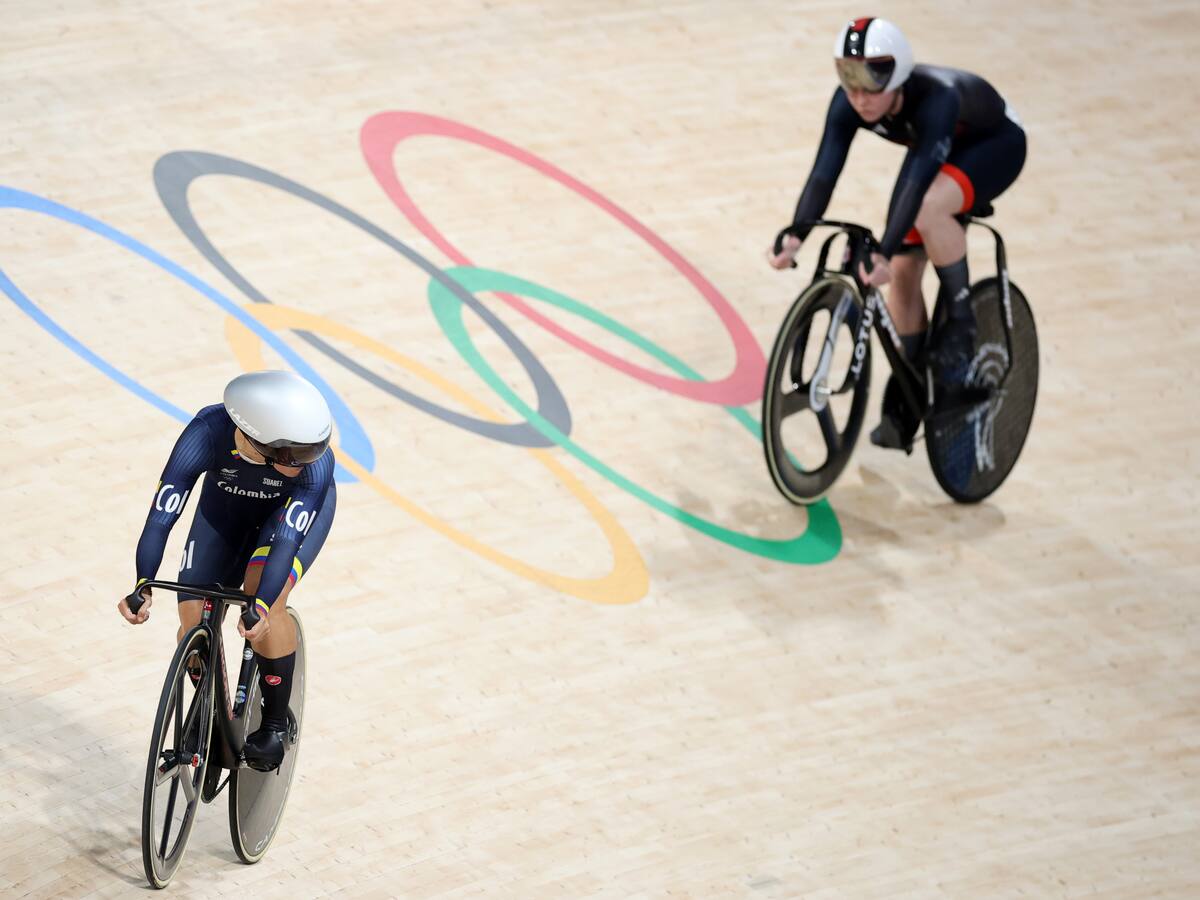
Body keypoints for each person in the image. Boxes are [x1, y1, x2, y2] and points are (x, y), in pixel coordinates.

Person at [768, 16, 1026, 448]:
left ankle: (961, 325)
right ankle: (915, 380)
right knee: (903, 275)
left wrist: (882, 251)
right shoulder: (849, 103)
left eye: (872, 84)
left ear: (899, 75)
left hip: (995, 146)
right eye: (850, 80)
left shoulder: (937, 99)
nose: (860, 97)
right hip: (936, 150)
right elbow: (824, 173)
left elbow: (916, 181)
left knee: (924, 210)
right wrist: (796, 235)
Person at [117, 370, 337, 771]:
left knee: (263, 593)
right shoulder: (205, 434)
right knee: (191, 619)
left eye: (310, 451)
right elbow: (161, 517)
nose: (302, 462)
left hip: (282, 521)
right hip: (223, 515)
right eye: (290, 453)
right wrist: (143, 582)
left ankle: (274, 724)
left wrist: (261, 605)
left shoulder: (315, 468)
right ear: (252, 434)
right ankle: (210, 714)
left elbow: (286, 543)